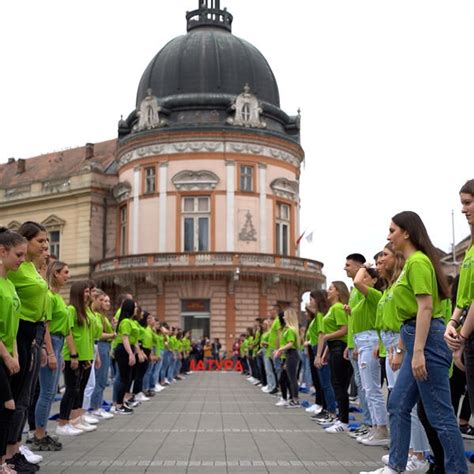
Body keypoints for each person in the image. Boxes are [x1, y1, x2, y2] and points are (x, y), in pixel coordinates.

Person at [362, 211, 468, 474]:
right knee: (397, 403)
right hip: (416, 337)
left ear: (407, 232)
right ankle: (396, 465)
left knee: (439, 415)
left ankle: (457, 470)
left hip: (427, 340)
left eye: (392, 230)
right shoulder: (412, 263)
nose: (388, 236)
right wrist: (405, 347)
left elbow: (425, 308)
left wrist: (417, 351)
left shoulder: (418, 262)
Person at [5, 222, 49, 473]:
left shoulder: (32, 267)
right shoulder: (16, 269)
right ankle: (10, 451)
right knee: (17, 396)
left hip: (34, 332)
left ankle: (15, 447)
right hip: (20, 330)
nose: (45, 245)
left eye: (46, 240)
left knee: (26, 395)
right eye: (40, 241)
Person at [32, 260, 71, 451]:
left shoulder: (58, 296)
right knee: (46, 393)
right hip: (52, 342)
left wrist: (60, 353)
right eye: (65, 272)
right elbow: (45, 326)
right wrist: (50, 353)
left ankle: (42, 432)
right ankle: (39, 435)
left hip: (58, 342)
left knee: (49, 391)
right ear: (55, 273)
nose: (68, 275)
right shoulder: (49, 296)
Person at [445, 180, 474, 417]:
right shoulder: (471, 248)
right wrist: (453, 323)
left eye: (468, 203)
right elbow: (463, 297)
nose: (464, 209)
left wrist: (461, 336)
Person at [351, 266, 388, 446]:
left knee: (372, 389)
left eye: (367, 276)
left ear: (374, 280)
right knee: (367, 388)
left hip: (369, 341)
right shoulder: (365, 300)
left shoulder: (374, 294)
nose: (362, 279)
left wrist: (363, 267)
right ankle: (376, 427)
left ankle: (381, 429)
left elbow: (357, 282)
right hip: (363, 342)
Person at [0, 228, 26, 474]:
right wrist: (6, 356)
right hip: (0, 355)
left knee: (7, 406)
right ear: (2, 251)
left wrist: (15, 354)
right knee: (7, 405)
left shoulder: (9, 284)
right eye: (18, 254)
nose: (22, 259)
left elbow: (13, 325)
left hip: (9, 352)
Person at [56, 281, 96, 435]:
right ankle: (62, 423)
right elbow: (69, 333)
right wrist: (73, 355)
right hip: (74, 356)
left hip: (85, 355)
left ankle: (75, 420)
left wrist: (88, 356)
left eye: (89, 292)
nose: (88, 294)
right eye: (86, 292)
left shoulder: (85, 311)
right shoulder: (71, 310)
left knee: (80, 389)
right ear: (78, 293)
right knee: (71, 390)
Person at [315, 281, 353, 433]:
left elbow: (344, 329)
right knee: (336, 384)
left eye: (331, 289)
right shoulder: (332, 309)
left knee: (339, 385)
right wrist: (325, 353)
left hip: (340, 348)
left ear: (338, 292)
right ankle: (340, 418)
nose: (327, 291)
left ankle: (343, 420)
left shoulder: (337, 308)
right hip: (333, 348)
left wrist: (326, 337)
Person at [343, 253, 373, 437]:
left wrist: (357, 345)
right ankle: (368, 422)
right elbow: (355, 320)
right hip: (355, 342)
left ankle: (371, 424)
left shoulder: (362, 288)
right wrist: (350, 343)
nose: (344, 268)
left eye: (348, 265)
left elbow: (370, 319)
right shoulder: (353, 291)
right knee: (361, 386)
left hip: (365, 343)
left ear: (358, 266)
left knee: (366, 387)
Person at [90, 292, 115, 419]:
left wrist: (113, 327)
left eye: (108, 301)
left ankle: (97, 406)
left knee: (102, 379)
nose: (107, 303)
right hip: (101, 346)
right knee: (99, 379)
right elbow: (99, 335)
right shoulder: (98, 316)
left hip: (106, 347)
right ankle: (95, 407)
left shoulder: (104, 317)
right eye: (104, 300)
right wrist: (113, 335)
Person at [112, 299, 139, 414]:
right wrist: (130, 354)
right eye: (135, 307)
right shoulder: (126, 322)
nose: (136, 309)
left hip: (128, 349)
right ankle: (118, 404)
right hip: (124, 349)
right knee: (124, 378)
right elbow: (125, 338)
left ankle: (121, 402)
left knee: (127, 378)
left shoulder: (131, 321)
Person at [274, 308, 300, 408]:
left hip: (291, 354)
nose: (283, 317)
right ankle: (291, 399)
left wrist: (280, 349)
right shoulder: (288, 329)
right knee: (286, 378)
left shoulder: (290, 330)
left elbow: (290, 343)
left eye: (285, 315)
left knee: (292, 378)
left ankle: (295, 400)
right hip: (289, 354)